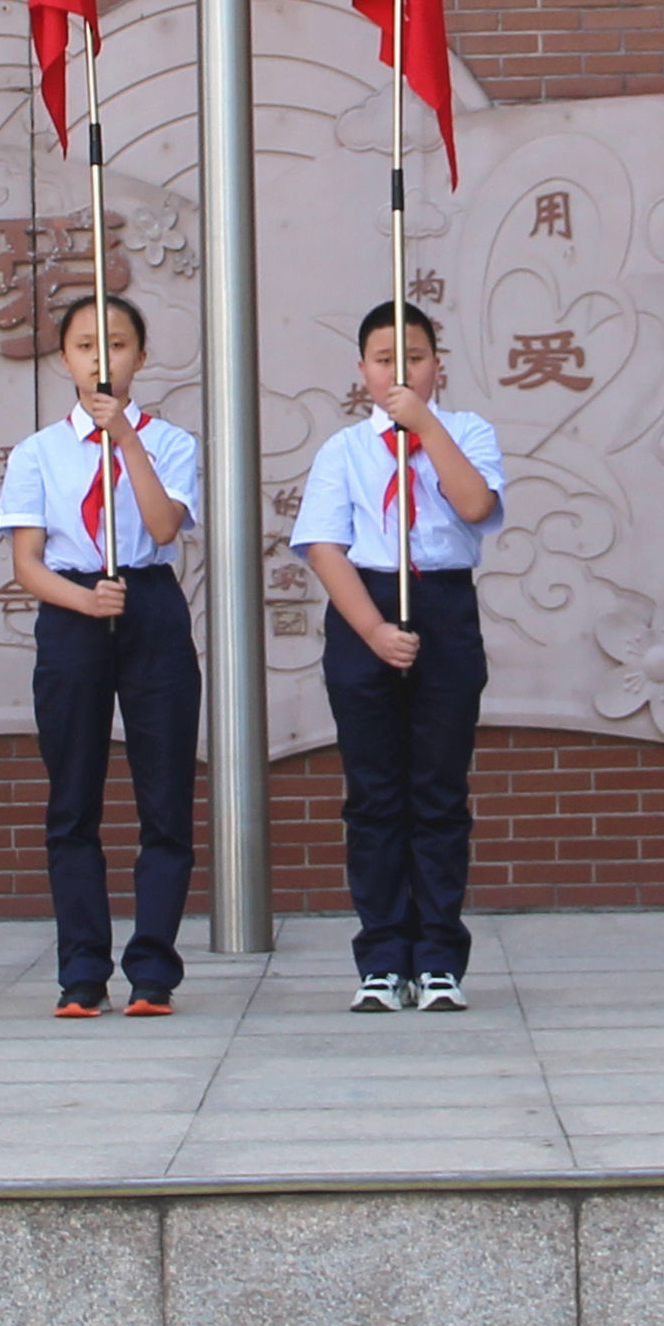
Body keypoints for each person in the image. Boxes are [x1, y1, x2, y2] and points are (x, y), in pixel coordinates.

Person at [287, 300, 506, 1015]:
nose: (399, 371)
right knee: (374, 793)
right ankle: (382, 956)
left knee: (439, 791)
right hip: (366, 604)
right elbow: (325, 548)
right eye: (385, 360)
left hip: (443, 604)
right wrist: (375, 631)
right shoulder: (344, 450)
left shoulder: (467, 432)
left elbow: (474, 506)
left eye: (413, 357)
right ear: (362, 370)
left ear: (437, 363)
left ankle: (439, 956)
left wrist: (427, 428)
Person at [0, 292, 203, 1019]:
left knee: (165, 797)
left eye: (115, 344)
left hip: (148, 605)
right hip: (74, 611)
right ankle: (81, 970)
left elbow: (163, 525)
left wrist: (127, 441)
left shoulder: (170, 442)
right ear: (64, 359)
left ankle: (153, 969)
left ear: (139, 356)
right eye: (85, 346)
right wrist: (82, 602)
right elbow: (27, 562)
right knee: (73, 797)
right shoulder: (38, 452)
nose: (100, 359)